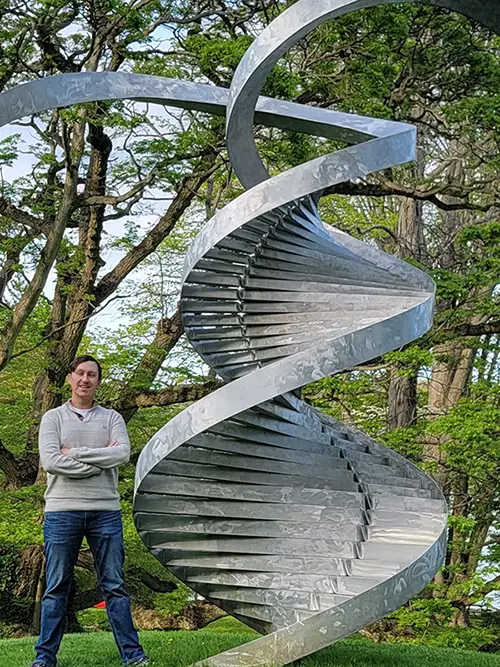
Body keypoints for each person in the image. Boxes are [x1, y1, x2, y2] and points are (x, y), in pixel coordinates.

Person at [32, 354, 149, 667]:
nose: (85, 379)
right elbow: (51, 462)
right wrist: (98, 461)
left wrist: (78, 454)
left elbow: (122, 454)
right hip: (61, 511)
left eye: (92, 375)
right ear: (70, 378)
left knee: (114, 586)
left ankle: (133, 656)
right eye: (80, 373)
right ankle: (44, 658)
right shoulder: (53, 418)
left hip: (105, 511)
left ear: (98, 382)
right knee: (56, 587)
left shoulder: (112, 418)